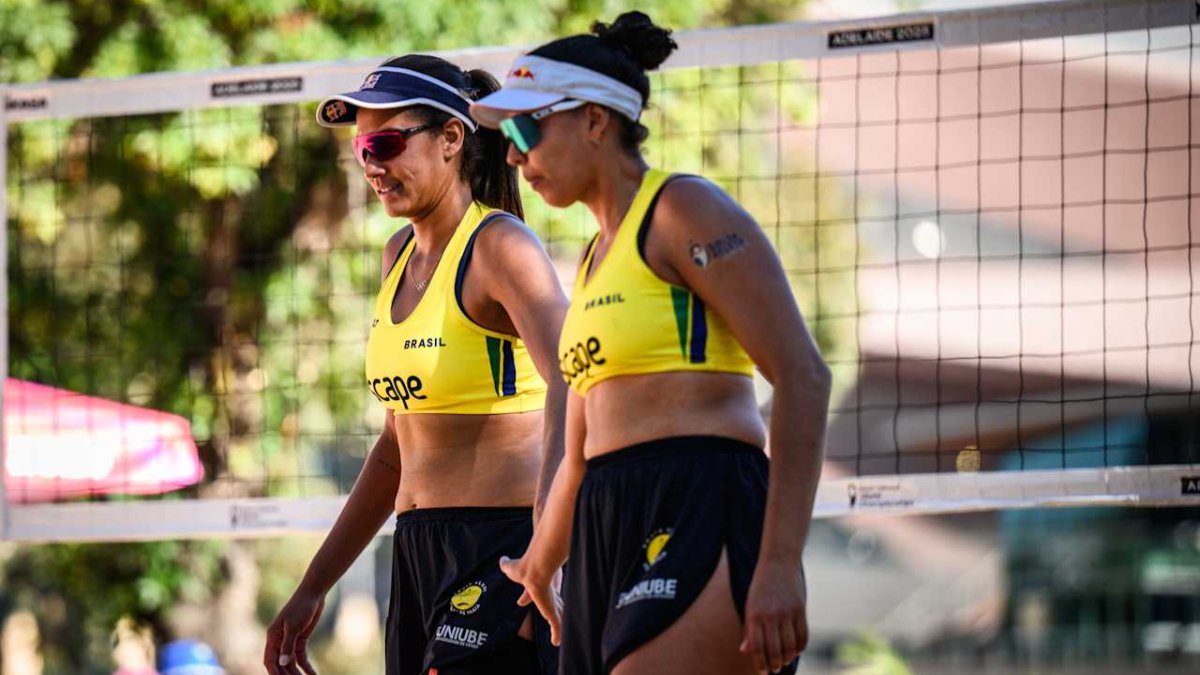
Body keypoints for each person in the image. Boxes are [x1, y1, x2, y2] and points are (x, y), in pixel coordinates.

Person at [471, 12, 831, 675]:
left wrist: (781, 564)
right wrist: (538, 567)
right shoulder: (591, 257)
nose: (515, 155)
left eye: (526, 129)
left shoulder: (682, 209)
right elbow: (580, 450)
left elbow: (804, 376)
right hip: (608, 519)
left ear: (595, 121)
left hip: (700, 496)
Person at [264, 54, 568, 675]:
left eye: (387, 142)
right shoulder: (396, 255)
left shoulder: (500, 246)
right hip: (417, 553)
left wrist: (551, 547)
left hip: (505, 549)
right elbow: (393, 448)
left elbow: (578, 386)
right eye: (361, 149)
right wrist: (313, 585)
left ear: (452, 138)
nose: (372, 164)